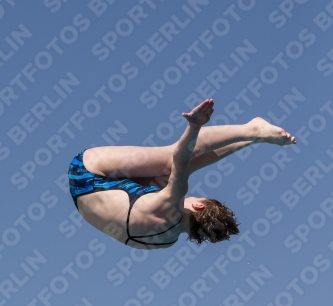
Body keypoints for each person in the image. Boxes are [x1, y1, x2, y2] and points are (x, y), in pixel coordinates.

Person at [68, 99, 296, 249]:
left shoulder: (170, 204)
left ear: (199, 207)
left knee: (172, 162)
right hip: (91, 198)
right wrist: (245, 144)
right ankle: (253, 137)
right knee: (180, 170)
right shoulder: (167, 240)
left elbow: (179, 157)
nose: (193, 197)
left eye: (198, 199)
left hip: (87, 172)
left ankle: (251, 129)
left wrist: (194, 127)